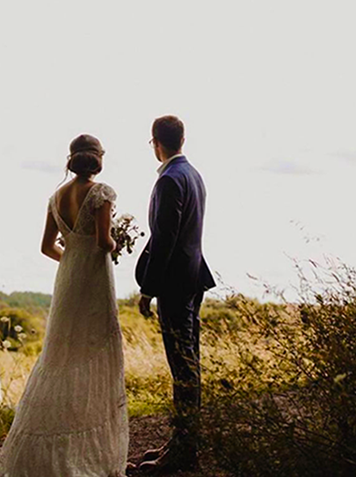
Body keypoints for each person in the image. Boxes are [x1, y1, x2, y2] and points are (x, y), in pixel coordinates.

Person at [0, 134, 129, 477]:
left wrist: (72, 259)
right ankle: (91, 456)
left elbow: (47, 247)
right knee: (94, 348)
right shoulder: (102, 193)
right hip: (93, 280)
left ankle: (44, 444)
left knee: (60, 354)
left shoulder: (55, 198)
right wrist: (116, 241)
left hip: (67, 280)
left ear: (71, 159)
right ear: (98, 159)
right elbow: (103, 241)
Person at [136, 115, 216, 473]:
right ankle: (181, 444)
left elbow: (165, 238)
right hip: (192, 279)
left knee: (183, 367)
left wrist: (147, 288)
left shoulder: (170, 180)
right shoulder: (193, 175)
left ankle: (183, 453)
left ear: (156, 142)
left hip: (174, 284)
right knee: (188, 363)